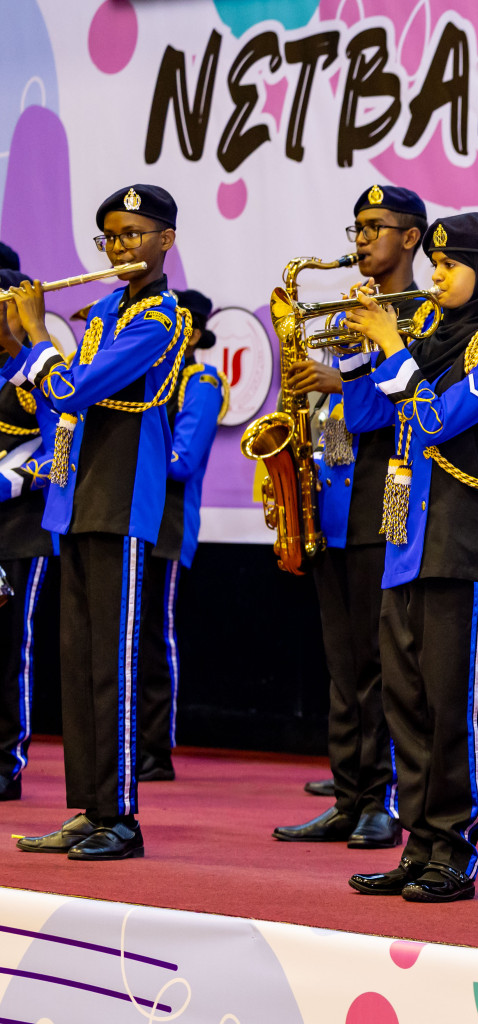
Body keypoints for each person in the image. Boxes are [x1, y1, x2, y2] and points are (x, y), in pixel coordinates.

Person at [339, 212, 478, 903]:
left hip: (455, 547)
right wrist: (359, 352)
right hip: (402, 544)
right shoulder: (426, 335)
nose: (436, 275)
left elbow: (436, 420)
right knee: (407, 706)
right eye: (438, 264)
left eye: (450, 266)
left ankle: (453, 851)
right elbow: (366, 417)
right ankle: (418, 846)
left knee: (448, 709)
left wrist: (392, 347)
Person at [8, 184, 186, 860]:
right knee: (79, 664)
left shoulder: (160, 318)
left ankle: (123, 818)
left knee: (112, 661)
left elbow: (75, 389)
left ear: (165, 240)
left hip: (120, 501)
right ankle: (90, 807)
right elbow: (57, 400)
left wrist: (34, 336)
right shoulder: (106, 309)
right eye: (111, 236)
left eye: (135, 234)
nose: (120, 247)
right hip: (74, 500)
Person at [275, 185, 427, 846]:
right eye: (357, 228)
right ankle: (347, 795)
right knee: (343, 664)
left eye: (376, 227)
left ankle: (382, 800)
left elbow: (401, 405)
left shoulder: (421, 315)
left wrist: (341, 383)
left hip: (384, 499)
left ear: (412, 237)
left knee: (379, 662)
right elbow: (329, 416)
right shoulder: (339, 313)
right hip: (331, 500)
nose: (361, 240)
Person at [136, 289, 226, 783]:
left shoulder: (201, 380)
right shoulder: (148, 379)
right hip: (132, 519)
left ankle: (157, 749)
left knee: (155, 636)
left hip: (167, 528)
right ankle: (129, 744)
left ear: (190, 334)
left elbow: (182, 460)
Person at [0, 268, 58, 803]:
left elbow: (60, 441)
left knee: (8, 646)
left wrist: (7, 481)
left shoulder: (36, 365)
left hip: (20, 528)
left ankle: (5, 761)